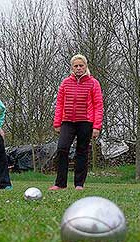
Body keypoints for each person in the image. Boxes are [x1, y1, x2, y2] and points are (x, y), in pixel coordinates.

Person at [49, 54, 103, 191]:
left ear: (86, 66)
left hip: (85, 122)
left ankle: (79, 184)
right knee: (62, 148)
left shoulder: (93, 83)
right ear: (72, 67)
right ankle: (60, 183)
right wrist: (57, 123)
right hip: (67, 121)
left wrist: (97, 126)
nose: (78, 68)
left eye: (81, 65)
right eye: (76, 66)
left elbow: (98, 105)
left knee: (82, 152)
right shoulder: (65, 83)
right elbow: (59, 103)